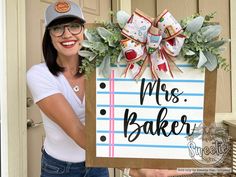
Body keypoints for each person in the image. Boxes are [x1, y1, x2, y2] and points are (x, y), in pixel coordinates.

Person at [27, 0, 191, 177]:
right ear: (49, 35)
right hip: (59, 169)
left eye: (74, 26)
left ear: (83, 30)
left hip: (98, 165)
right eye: (57, 28)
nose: (67, 34)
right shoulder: (39, 75)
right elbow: (78, 131)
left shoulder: (104, 68)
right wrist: (133, 170)